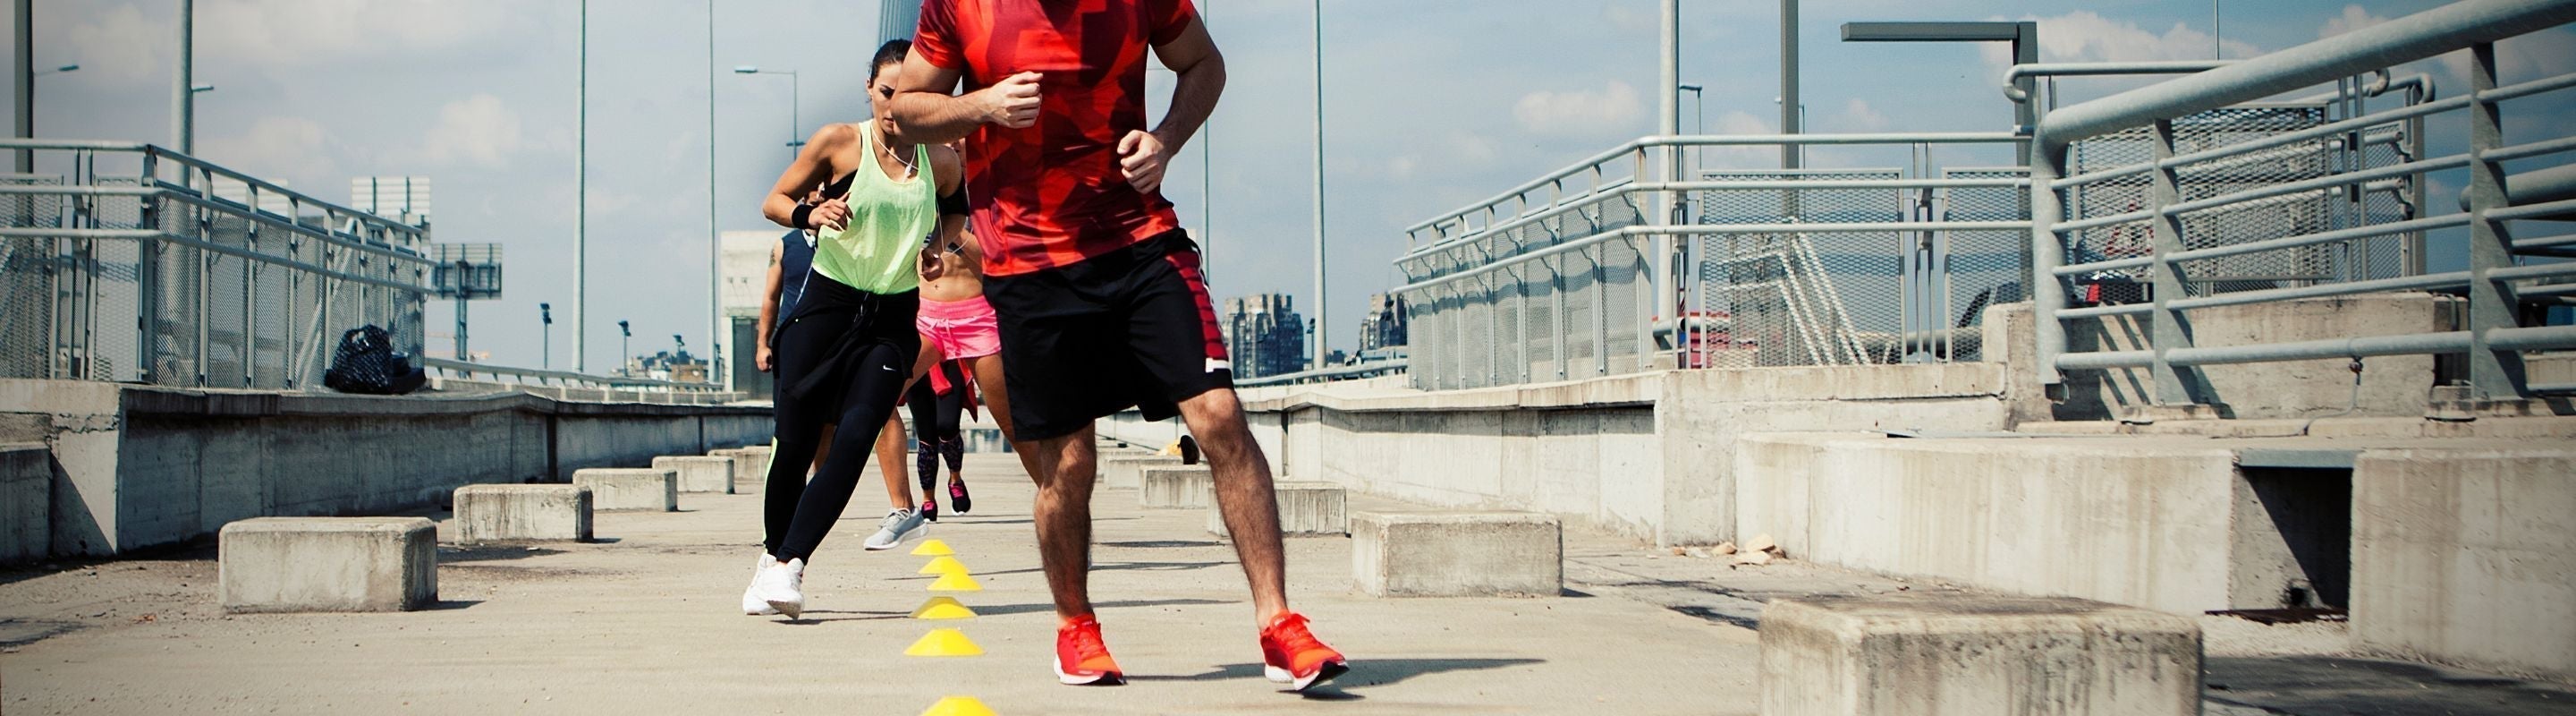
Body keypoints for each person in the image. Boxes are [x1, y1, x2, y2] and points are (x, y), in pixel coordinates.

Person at [892, 0, 1348, 691]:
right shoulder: (959, 4)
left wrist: (1165, 138)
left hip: (1139, 242)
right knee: (1069, 464)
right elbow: (905, 109)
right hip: (1030, 263)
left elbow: (1203, 62)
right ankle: (1076, 626)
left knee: (1220, 417)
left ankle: (1279, 623)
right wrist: (982, 104)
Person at [742, 38, 966, 619]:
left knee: (857, 435)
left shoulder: (939, 160)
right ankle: (769, 559)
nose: (896, 107)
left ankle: (792, 565)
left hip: (891, 320)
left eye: (912, 96)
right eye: (888, 93)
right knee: (793, 449)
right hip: (824, 313)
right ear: (870, 89)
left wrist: (937, 247)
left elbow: (955, 209)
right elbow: (775, 199)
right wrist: (808, 214)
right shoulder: (841, 143)